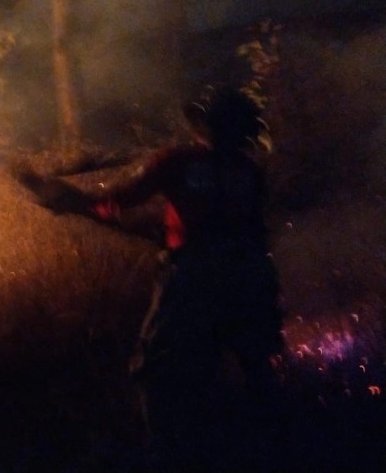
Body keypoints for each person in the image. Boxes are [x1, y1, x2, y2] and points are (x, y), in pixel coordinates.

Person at [21, 85, 284, 470]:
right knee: (255, 366)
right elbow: (251, 230)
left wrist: (68, 199)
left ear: (206, 126)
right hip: (250, 277)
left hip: (193, 279)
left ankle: (169, 456)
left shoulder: (176, 161)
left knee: (156, 370)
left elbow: (117, 201)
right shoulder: (249, 172)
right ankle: (264, 451)